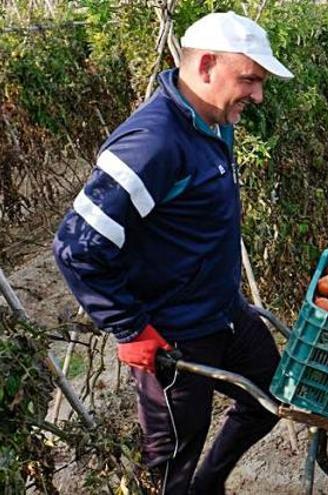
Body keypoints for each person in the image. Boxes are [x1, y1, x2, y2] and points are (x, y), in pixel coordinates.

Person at [52, 11, 293, 494]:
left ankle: (210, 485)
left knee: (273, 393)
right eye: (249, 79)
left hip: (223, 313)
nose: (258, 95)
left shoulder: (208, 122)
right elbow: (77, 245)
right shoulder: (154, 142)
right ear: (205, 65)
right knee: (169, 465)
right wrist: (130, 329)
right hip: (175, 336)